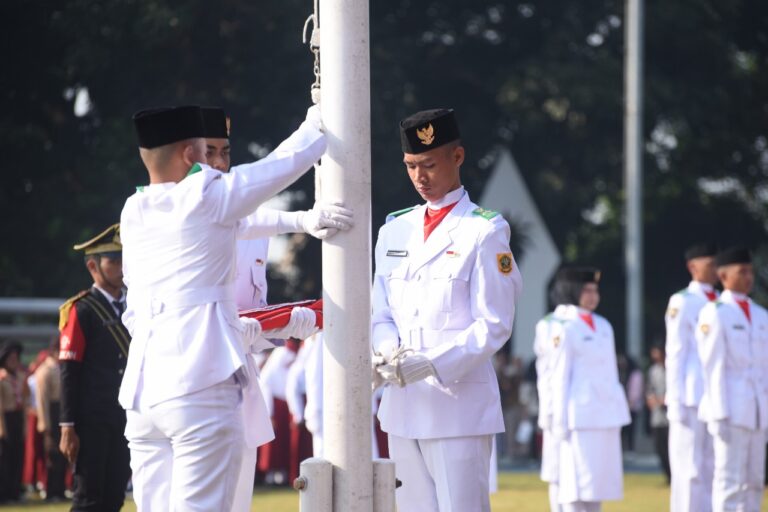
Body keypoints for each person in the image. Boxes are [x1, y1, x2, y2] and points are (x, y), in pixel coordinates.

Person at [118, 104, 325, 511]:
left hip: (143, 395)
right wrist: (319, 119)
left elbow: (239, 222)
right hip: (199, 384)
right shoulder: (205, 195)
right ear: (189, 154)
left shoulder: (134, 210)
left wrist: (300, 221)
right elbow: (279, 166)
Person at [199, 106, 352, 512]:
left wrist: (301, 220)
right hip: (194, 381)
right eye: (207, 152)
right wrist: (313, 127)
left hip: (237, 377)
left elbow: (251, 219)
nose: (218, 163)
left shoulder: (240, 217)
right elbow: (269, 175)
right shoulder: (178, 211)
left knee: (236, 498)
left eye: (224, 152)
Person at [371, 108, 522, 512]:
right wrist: (388, 352)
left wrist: (430, 363)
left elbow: (494, 323)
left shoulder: (485, 230)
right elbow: (380, 312)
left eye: (429, 165)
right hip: (403, 404)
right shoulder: (393, 230)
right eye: (411, 166)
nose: (420, 177)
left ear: (457, 158)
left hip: (459, 407)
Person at [57, 223, 131, 511]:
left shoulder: (133, 307)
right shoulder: (81, 309)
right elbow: (69, 371)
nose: (121, 268)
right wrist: (67, 426)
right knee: (88, 498)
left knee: (114, 496)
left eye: (124, 259)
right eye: (113, 261)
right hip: (91, 420)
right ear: (93, 267)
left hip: (124, 416)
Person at [549, 267, 630, 512]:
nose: (592, 295)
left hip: (605, 413)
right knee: (576, 485)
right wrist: (559, 422)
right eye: (586, 289)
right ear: (573, 292)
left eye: (595, 290)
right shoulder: (564, 327)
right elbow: (559, 377)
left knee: (599, 485)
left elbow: (611, 374)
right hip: (579, 417)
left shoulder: (604, 325)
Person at [697, 247, 768, 511]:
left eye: (750, 271)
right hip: (731, 409)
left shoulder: (761, 315)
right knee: (729, 481)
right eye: (742, 272)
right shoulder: (715, 312)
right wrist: (718, 414)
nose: (749, 277)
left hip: (758, 411)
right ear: (723, 276)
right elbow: (712, 367)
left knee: (755, 480)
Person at [665, 242, 718, 512]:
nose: (716, 270)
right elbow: (675, 353)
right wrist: (673, 400)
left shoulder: (721, 301)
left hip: (718, 396)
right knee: (689, 469)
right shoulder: (683, 301)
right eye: (710, 264)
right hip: (691, 396)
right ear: (693, 267)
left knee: (713, 467)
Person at [35, 338, 66, 501]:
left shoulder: (59, 368)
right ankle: (51, 490)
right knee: (53, 455)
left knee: (62, 455)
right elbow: (42, 401)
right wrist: (45, 425)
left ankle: (60, 489)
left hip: (60, 412)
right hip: (51, 414)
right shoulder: (45, 371)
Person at [0, 339, 29, 503]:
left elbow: (25, 402)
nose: (14, 361)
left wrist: (24, 425)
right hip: (5, 419)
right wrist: (2, 428)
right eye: (11, 358)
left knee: (18, 457)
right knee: (5, 458)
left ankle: (15, 491)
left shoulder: (20, 376)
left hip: (18, 418)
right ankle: (4, 493)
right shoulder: (1, 378)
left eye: (16, 357)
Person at [646, 345, 671, 484]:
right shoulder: (653, 371)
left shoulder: (671, 368)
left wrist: (665, 399)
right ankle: (667, 475)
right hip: (657, 416)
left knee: (670, 448)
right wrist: (651, 399)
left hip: (669, 416)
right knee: (659, 447)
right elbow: (649, 389)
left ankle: (673, 476)